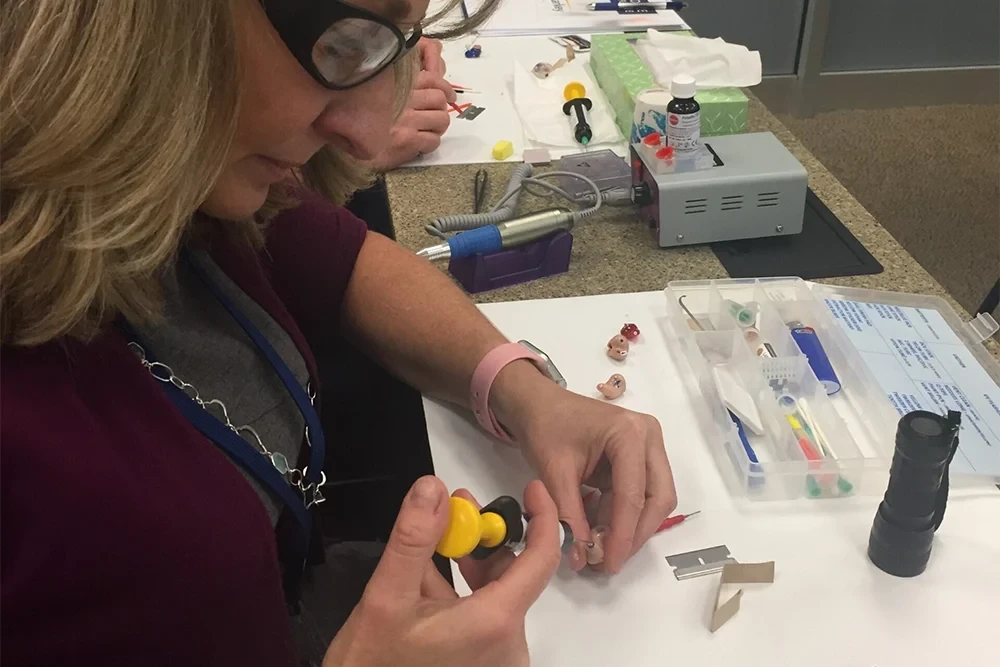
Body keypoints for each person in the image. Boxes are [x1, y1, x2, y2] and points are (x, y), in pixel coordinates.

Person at [0, 1, 677, 666]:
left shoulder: (184, 178)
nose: (365, 131)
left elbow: (340, 258)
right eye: (341, 42)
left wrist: (523, 391)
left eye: (398, 43)